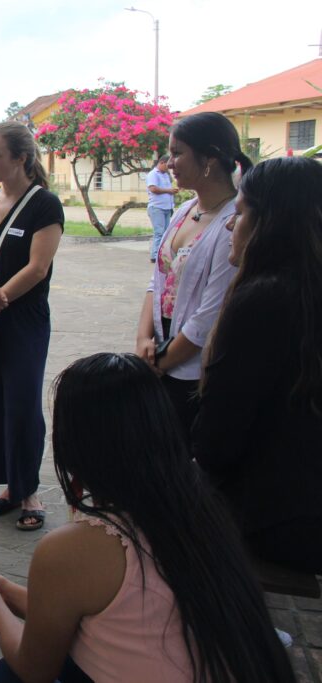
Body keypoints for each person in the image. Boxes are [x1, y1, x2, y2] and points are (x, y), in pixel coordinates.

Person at [0, 353, 295, 683]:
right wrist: (1, 589)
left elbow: (34, 669)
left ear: (75, 444)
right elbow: (68, 608)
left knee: (8, 676)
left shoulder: (79, 547)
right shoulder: (200, 508)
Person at [193, 156, 322, 574]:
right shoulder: (302, 291)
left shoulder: (265, 299)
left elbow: (219, 440)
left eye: (242, 213)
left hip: (270, 519)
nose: (232, 226)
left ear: (271, 222)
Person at [0, 120, 64, 531]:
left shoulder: (45, 205)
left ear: (20, 158)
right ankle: (8, 487)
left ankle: (29, 490)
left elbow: (37, 269)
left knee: (21, 405)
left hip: (22, 320)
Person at [135, 112, 252, 435]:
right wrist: (144, 339)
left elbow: (210, 314)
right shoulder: (187, 209)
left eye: (177, 153)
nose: (169, 163)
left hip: (193, 369)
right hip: (162, 353)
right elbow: (157, 281)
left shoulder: (232, 223)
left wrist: (160, 363)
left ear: (209, 159)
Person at [145, 154, 178, 262]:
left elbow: (166, 189)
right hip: (157, 207)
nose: (168, 167)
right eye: (167, 165)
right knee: (159, 232)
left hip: (167, 207)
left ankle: (162, 254)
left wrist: (172, 191)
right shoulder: (153, 174)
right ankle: (154, 256)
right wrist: (169, 191)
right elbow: (153, 189)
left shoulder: (165, 175)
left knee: (165, 233)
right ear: (162, 162)